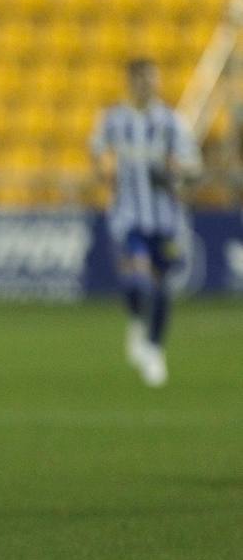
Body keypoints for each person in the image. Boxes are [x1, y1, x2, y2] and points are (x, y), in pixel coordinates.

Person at [90, 58, 201, 387]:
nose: (148, 85)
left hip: (165, 218)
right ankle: (138, 322)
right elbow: (96, 152)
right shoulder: (114, 119)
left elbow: (193, 166)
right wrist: (102, 171)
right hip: (128, 217)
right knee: (139, 280)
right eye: (142, 80)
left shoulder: (170, 121)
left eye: (152, 80)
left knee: (163, 286)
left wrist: (175, 174)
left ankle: (154, 349)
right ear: (130, 82)